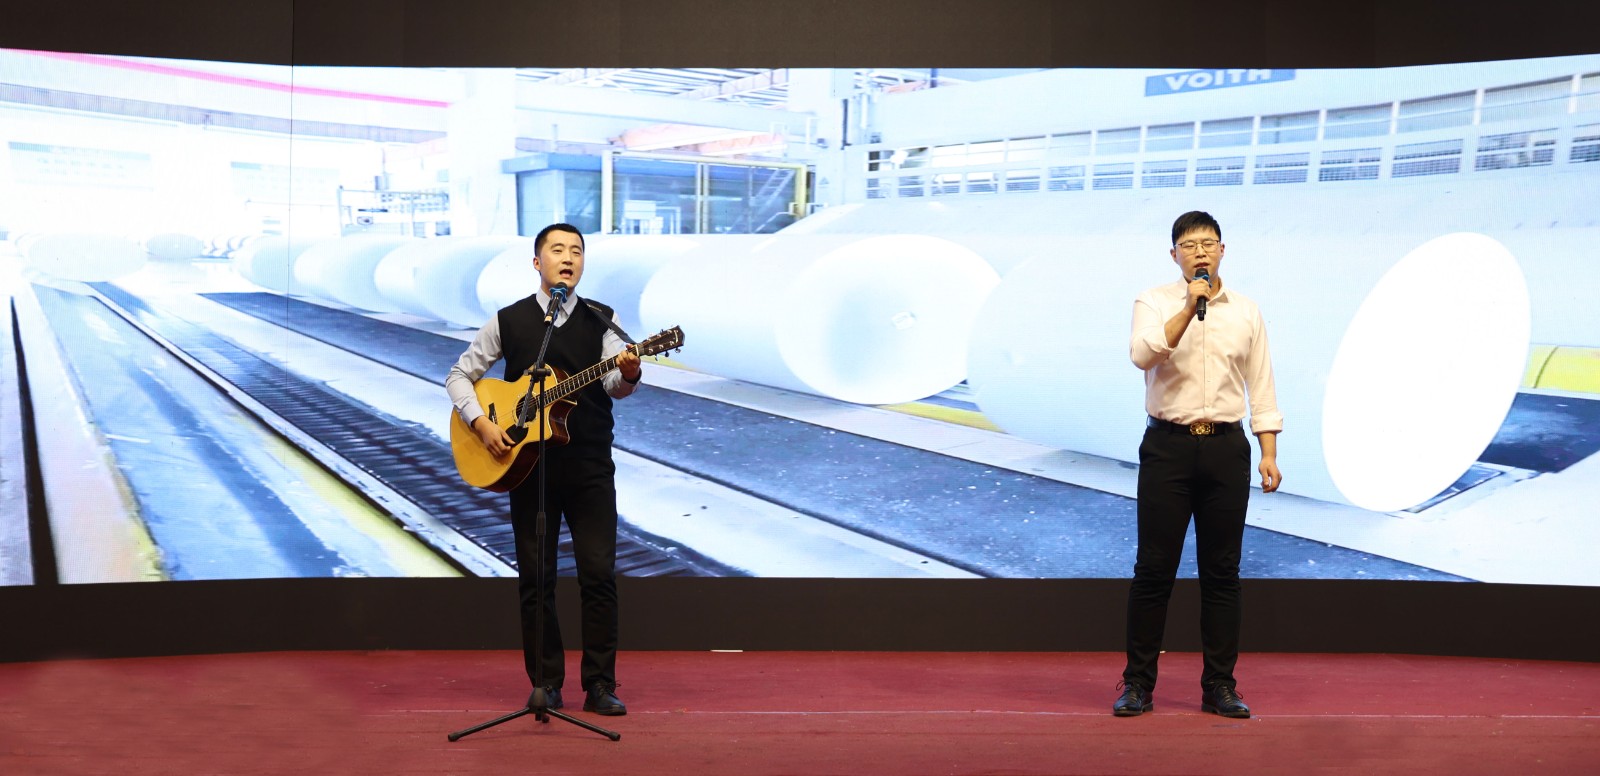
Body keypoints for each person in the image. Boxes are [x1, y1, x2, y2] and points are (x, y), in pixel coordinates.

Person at [446, 223, 642, 716]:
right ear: (538, 263)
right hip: (528, 468)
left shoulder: (603, 319)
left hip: (590, 467)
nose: (568, 258)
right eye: (557, 250)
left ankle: (600, 685)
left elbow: (615, 385)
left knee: (598, 575)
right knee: (537, 579)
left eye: (576, 251)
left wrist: (630, 372)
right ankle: (546, 684)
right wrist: (480, 424)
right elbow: (460, 375)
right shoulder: (508, 320)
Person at [1113, 210, 1282, 719]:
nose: (1200, 252)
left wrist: (1269, 451)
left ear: (1222, 250)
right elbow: (1143, 355)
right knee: (1153, 570)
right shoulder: (1153, 301)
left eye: (1208, 243)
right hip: (1168, 448)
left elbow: (1261, 384)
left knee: (1222, 573)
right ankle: (1137, 685)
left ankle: (1220, 687)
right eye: (1189, 245)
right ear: (1175, 255)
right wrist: (1189, 307)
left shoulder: (1247, 311)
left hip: (1226, 449)